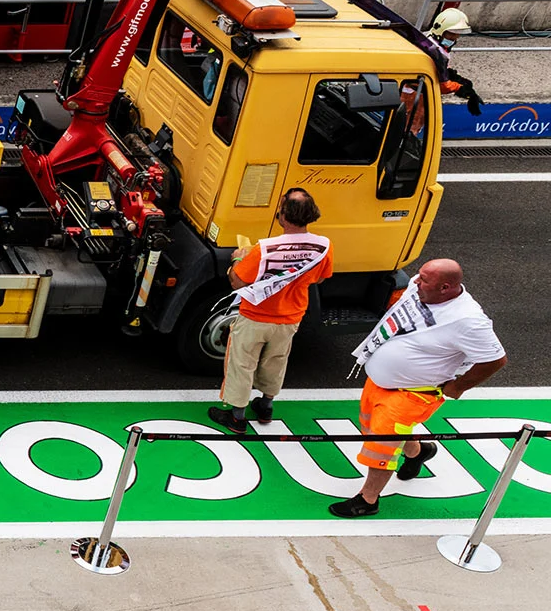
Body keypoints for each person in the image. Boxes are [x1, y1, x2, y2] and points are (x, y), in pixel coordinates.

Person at [330, 259, 508, 518]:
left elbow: (495, 359)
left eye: (425, 280)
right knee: (370, 428)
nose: (416, 281)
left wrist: (458, 386)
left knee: (381, 444)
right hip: (380, 384)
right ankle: (418, 452)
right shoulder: (421, 288)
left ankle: (368, 499)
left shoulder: (469, 321)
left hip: (413, 393)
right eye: (420, 276)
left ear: (445, 288)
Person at [207, 189, 330, 434]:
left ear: (284, 216)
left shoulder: (263, 249)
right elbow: (320, 278)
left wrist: (237, 259)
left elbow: (238, 282)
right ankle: (266, 406)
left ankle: (237, 417)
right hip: (291, 317)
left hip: (255, 315)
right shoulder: (323, 246)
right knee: (276, 361)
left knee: (242, 363)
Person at [428, 9, 484, 109]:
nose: (455, 37)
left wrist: (460, 81)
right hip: (415, 95)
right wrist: (460, 88)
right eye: (452, 34)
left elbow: (443, 71)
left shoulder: (429, 40)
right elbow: (443, 86)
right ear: (441, 31)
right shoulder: (435, 52)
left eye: (457, 34)